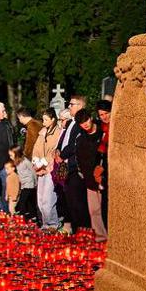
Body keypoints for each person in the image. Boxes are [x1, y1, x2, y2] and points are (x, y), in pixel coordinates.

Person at [55, 95, 91, 233]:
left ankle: (83, 233)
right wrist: (58, 150)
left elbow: (74, 145)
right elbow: (64, 140)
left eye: (71, 104)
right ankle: (76, 231)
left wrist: (62, 155)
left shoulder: (80, 124)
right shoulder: (71, 123)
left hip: (76, 167)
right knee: (70, 202)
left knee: (78, 203)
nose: (69, 106)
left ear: (80, 106)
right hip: (68, 167)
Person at [73, 108, 108, 239]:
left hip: (104, 177)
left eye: (86, 120)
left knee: (106, 210)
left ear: (91, 118)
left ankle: (110, 236)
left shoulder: (103, 132)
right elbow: (80, 159)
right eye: (82, 123)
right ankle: (100, 237)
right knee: (94, 211)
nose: (85, 124)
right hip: (89, 180)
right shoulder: (81, 139)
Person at [31, 109, 62, 230]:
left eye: (46, 120)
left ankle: (52, 224)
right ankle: (45, 224)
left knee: (48, 199)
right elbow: (36, 148)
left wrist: (44, 161)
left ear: (53, 119)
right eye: (43, 119)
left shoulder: (57, 132)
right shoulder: (42, 132)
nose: (43, 122)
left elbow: (54, 150)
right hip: (41, 169)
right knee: (40, 199)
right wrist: (36, 159)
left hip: (50, 168)